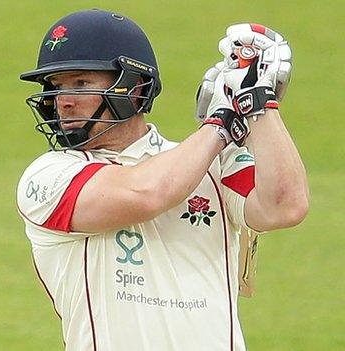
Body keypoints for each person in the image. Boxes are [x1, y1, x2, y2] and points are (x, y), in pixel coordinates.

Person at [16, 9, 309, 351]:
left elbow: (285, 207)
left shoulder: (209, 161)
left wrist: (258, 100)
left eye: (80, 83)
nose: (63, 102)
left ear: (135, 87)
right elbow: (146, 194)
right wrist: (221, 122)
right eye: (56, 87)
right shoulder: (48, 177)